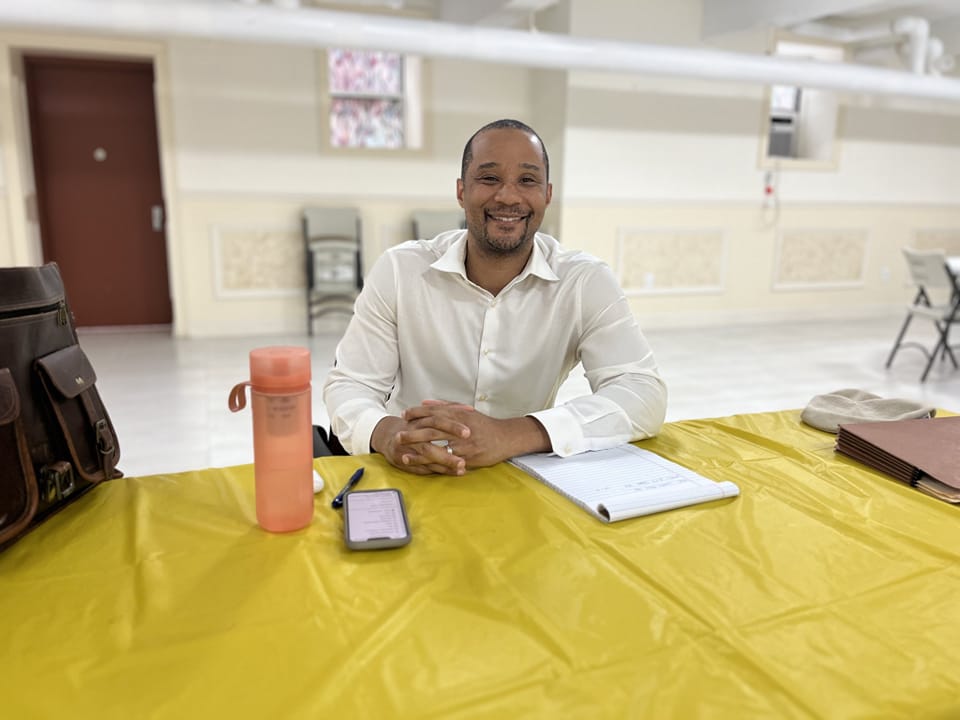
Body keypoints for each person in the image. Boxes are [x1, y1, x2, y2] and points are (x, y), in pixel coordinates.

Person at [322, 118, 667, 476]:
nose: (508, 196)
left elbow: (643, 392)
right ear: (461, 191)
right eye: (489, 178)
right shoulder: (400, 270)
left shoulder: (583, 281)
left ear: (547, 194)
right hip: (409, 469)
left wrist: (511, 434)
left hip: (524, 473)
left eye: (527, 180)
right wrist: (388, 433)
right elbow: (351, 384)